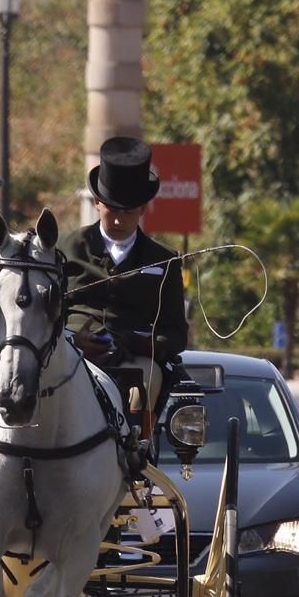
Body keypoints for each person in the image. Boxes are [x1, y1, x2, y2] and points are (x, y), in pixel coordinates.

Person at [60, 137, 188, 412]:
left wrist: (140, 343)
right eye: (112, 209)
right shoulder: (66, 249)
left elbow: (177, 333)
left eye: (128, 212)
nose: (118, 220)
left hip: (132, 361)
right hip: (70, 353)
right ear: (97, 203)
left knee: (148, 378)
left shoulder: (164, 260)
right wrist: (71, 339)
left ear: (142, 209)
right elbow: (45, 313)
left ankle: (134, 451)